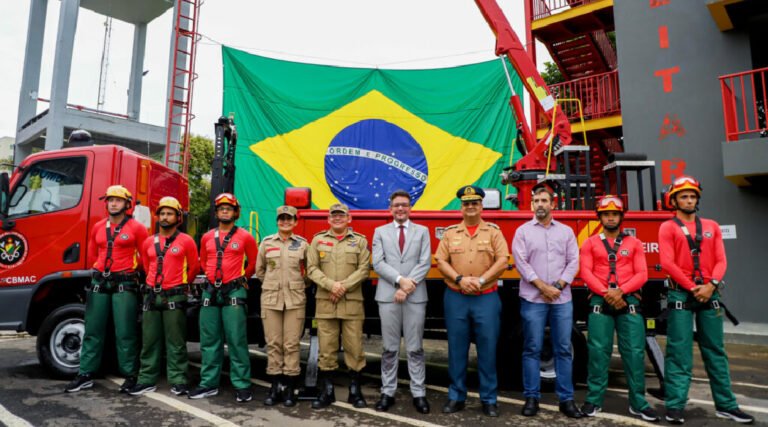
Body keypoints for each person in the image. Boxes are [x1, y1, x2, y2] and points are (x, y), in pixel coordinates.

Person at [659, 176, 754, 425]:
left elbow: (721, 260)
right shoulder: (667, 228)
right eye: (684, 196)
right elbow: (668, 263)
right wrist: (693, 288)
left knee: (715, 352)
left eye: (692, 196)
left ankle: (726, 405)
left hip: (710, 293)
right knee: (679, 353)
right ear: (674, 200)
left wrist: (710, 286)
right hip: (681, 293)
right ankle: (675, 406)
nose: (689, 200)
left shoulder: (711, 225)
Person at [579, 195, 660, 422]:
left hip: (629, 303)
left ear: (621, 216)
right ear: (600, 217)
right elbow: (586, 272)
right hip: (600, 302)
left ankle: (639, 403)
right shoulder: (590, 243)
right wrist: (607, 293)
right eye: (606, 214)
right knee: (598, 353)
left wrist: (620, 291)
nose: (611, 217)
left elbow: (642, 274)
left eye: (614, 214)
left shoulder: (634, 243)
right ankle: (594, 400)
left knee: (634, 354)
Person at [435, 185, 509, 417]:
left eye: (474, 203)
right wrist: (459, 279)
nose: (470, 207)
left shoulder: (493, 232)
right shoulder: (450, 233)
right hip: (456, 297)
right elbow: (440, 261)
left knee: (487, 350)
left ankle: (489, 399)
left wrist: (481, 279)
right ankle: (456, 396)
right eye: (466, 203)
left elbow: (503, 260)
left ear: (481, 206)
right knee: (457, 350)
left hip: (485, 298)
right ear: (461, 207)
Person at [65, 185, 148, 393]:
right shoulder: (98, 227)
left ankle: (130, 374)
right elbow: (94, 255)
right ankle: (85, 373)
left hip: (125, 284)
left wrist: (130, 272)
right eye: (110, 200)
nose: (113, 203)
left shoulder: (137, 228)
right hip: (99, 283)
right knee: (93, 331)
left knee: (125, 332)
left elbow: (145, 257)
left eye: (118, 200)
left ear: (127, 204)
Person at [511, 184, 582, 418]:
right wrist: (542, 287)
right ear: (532, 204)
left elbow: (574, 261)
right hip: (533, 299)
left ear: (553, 203)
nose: (540, 204)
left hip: (561, 300)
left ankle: (567, 399)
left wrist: (558, 287)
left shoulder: (566, 232)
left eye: (544, 200)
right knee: (532, 348)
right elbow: (521, 263)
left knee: (563, 349)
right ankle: (532, 398)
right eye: (536, 201)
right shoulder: (522, 232)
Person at [189, 193, 257, 403]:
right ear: (217, 212)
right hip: (210, 292)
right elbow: (203, 260)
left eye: (229, 208)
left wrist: (240, 279)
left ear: (235, 212)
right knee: (209, 340)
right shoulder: (207, 237)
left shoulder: (245, 236)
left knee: (237, 339)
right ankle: (208, 383)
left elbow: (253, 262)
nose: (225, 211)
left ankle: (242, 384)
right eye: (221, 208)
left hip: (234, 291)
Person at [129, 196, 199, 396]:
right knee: (149, 341)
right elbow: (144, 265)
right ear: (157, 216)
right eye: (162, 213)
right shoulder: (149, 241)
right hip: (151, 297)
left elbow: (194, 268)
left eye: (169, 213)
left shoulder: (186, 241)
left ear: (177, 217)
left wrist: (179, 286)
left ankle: (178, 380)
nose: (165, 217)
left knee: (176, 342)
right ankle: (146, 379)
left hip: (175, 297)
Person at [372, 190, 432, 414]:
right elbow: (378, 263)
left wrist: (408, 286)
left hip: (415, 297)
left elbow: (425, 262)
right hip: (388, 296)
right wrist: (400, 282)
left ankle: (419, 393)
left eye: (404, 205)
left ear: (410, 208)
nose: (400, 209)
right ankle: (387, 392)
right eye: (396, 205)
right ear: (390, 208)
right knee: (389, 348)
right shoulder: (380, 232)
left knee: (415, 348)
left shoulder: (422, 231)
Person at [306, 203, 371, 409]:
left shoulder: (359, 241)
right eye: (333, 215)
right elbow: (311, 269)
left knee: (355, 349)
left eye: (341, 215)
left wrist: (342, 287)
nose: (337, 218)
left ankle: (355, 391)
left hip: (352, 303)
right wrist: (330, 286)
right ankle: (327, 392)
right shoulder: (318, 240)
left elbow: (364, 269)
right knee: (326, 349)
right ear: (328, 219)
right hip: (326, 303)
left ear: (349, 218)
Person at [255, 205, 309, 407]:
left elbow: (309, 271)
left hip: (295, 300)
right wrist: (271, 285)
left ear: (295, 222)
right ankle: (275, 386)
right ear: (277, 221)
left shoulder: (303, 244)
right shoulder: (267, 243)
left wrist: (297, 286)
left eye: (289, 219)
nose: (285, 222)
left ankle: (290, 387)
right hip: (271, 300)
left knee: (291, 344)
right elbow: (260, 270)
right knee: (274, 343)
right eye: (282, 219)